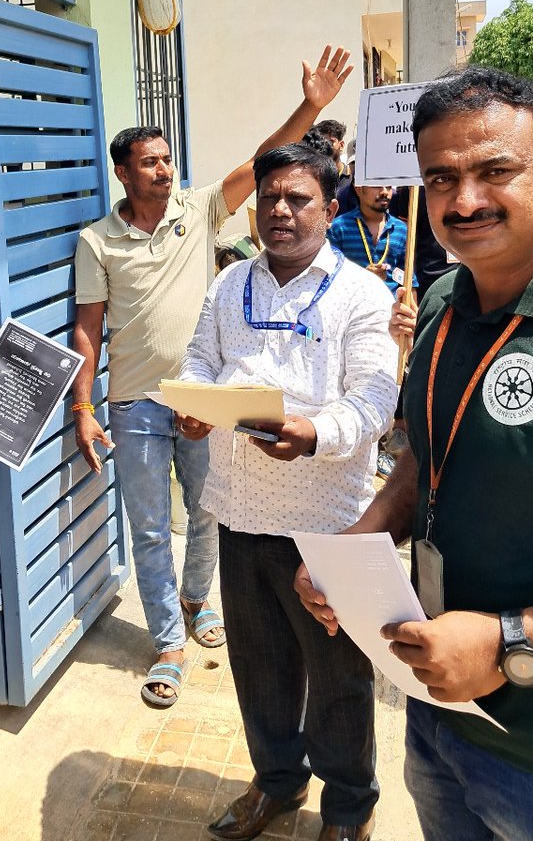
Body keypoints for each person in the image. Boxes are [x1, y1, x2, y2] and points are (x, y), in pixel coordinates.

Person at [295, 67, 533, 840]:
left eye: (495, 171)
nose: (464, 202)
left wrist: (511, 642)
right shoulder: (440, 301)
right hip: (443, 715)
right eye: (442, 178)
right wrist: (362, 540)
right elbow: (431, 454)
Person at [71, 48, 353, 708]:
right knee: (146, 526)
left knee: (206, 513)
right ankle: (166, 641)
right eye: (150, 161)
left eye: (167, 158)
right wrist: (82, 407)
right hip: (134, 404)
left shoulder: (197, 210)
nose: (165, 169)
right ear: (123, 172)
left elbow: (262, 165)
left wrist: (311, 106)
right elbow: (87, 328)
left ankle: (199, 601)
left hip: (203, 401)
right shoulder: (97, 241)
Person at [180, 143, 398, 841]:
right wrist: (194, 402)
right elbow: (198, 357)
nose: (278, 208)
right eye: (269, 196)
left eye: (297, 198)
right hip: (240, 515)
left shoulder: (363, 293)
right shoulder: (229, 284)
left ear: (328, 209)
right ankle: (276, 785)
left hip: (328, 524)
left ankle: (347, 809)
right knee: (260, 670)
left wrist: (313, 431)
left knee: (338, 681)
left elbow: (375, 402)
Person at [328, 182, 409, 295]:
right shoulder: (338, 227)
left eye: (389, 187)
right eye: (377, 185)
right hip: (351, 307)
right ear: (359, 189)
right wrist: (363, 278)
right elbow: (327, 275)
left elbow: (409, 281)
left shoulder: (401, 229)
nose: (385, 192)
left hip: (390, 309)